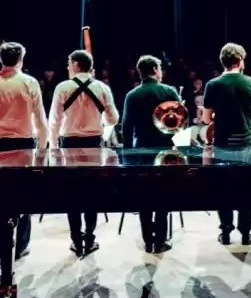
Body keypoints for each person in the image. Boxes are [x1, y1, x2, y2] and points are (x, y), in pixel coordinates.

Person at [49, 50, 119, 256]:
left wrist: (53, 147)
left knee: (72, 192)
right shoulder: (102, 88)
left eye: (68, 63)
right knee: (92, 191)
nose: (67, 66)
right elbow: (113, 119)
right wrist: (98, 120)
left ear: (76, 64)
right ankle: (89, 238)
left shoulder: (63, 87)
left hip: (69, 144)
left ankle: (76, 240)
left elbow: (55, 120)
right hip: (93, 144)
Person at [202, 43, 251, 245]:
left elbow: (206, 118)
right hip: (245, 143)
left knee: (223, 189)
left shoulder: (212, 85)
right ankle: (245, 233)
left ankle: (226, 232)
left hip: (222, 144)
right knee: (246, 188)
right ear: (240, 61)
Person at [122, 55, 180, 254]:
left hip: (140, 150)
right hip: (165, 149)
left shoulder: (132, 95)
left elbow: (126, 128)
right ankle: (161, 239)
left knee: (144, 194)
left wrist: (127, 157)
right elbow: (180, 123)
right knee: (163, 193)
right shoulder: (169, 91)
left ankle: (148, 239)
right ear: (155, 70)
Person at [0, 41, 48, 260]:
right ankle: (21, 245)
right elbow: (40, 120)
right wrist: (43, 149)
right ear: (20, 59)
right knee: (24, 193)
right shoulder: (29, 83)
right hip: (23, 144)